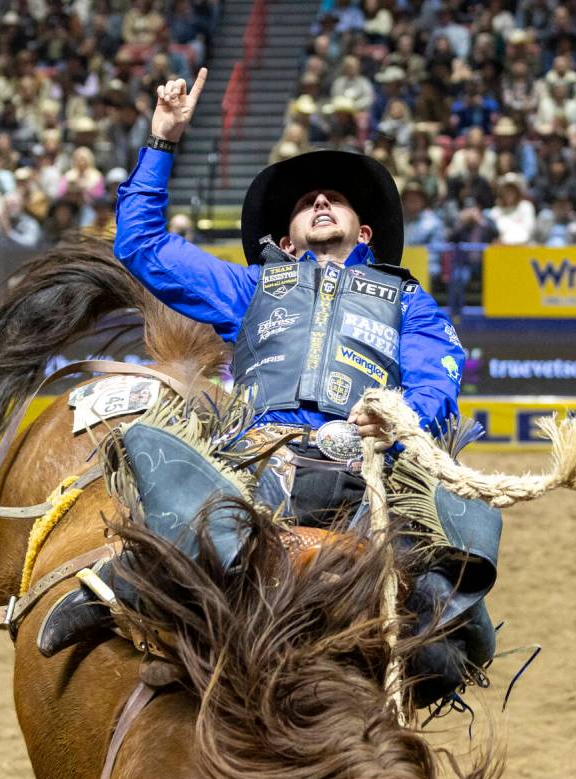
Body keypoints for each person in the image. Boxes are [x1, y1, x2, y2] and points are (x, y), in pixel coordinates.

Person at [39, 71, 501, 708]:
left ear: (363, 232)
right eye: (306, 201)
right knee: (151, 447)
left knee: (458, 568)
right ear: (284, 242)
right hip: (256, 458)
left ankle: (439, 622)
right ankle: (141, 581)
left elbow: (435, 377)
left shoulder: (410, 302)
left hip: (369, 467)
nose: (319, 203)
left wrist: (396, 421)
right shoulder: (248, 288)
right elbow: (142, 244)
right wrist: (163, 140)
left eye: (334, 199)